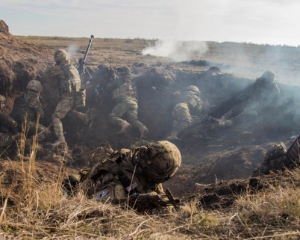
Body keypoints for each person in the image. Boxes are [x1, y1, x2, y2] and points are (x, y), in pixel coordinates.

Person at [63, 140, 181, 210]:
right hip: (94, 191)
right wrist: (130, 205)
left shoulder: (140, 163)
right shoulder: (119, 186)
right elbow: (93, 205)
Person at [43, 49, 90, 147]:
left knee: (56, 116)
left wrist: (55, 66)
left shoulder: (59, 68)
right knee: (67, 110)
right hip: (77, 96)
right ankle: (83, 117)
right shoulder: (72, 66)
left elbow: (45, 74)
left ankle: (61, 140)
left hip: (68, 97)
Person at [210, 70, 280, 128]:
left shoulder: (268, 86)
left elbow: (271, 101)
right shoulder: (263, 85)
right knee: (237, 112)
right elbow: (248, 91)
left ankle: (223, 123)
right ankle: (222, 120)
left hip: (256, 106)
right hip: (252, 103)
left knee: (241, 115)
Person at [105, 66, 149, 138]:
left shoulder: (119, 80)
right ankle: (143, 128)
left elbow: (108, 89)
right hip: (134, 103)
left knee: (112, 117)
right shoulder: (133, 82)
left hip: (124, 101)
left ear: (121, 73)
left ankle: (124, 124)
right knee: (133, 120)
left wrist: (110, 81)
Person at [10, 80, 51, 147]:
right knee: (47, 132)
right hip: (26, 123)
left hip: (14, 123)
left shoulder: (20, 97)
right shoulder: (35, 99)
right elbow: (41, 115)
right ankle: (29, 141)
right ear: (38, 89)